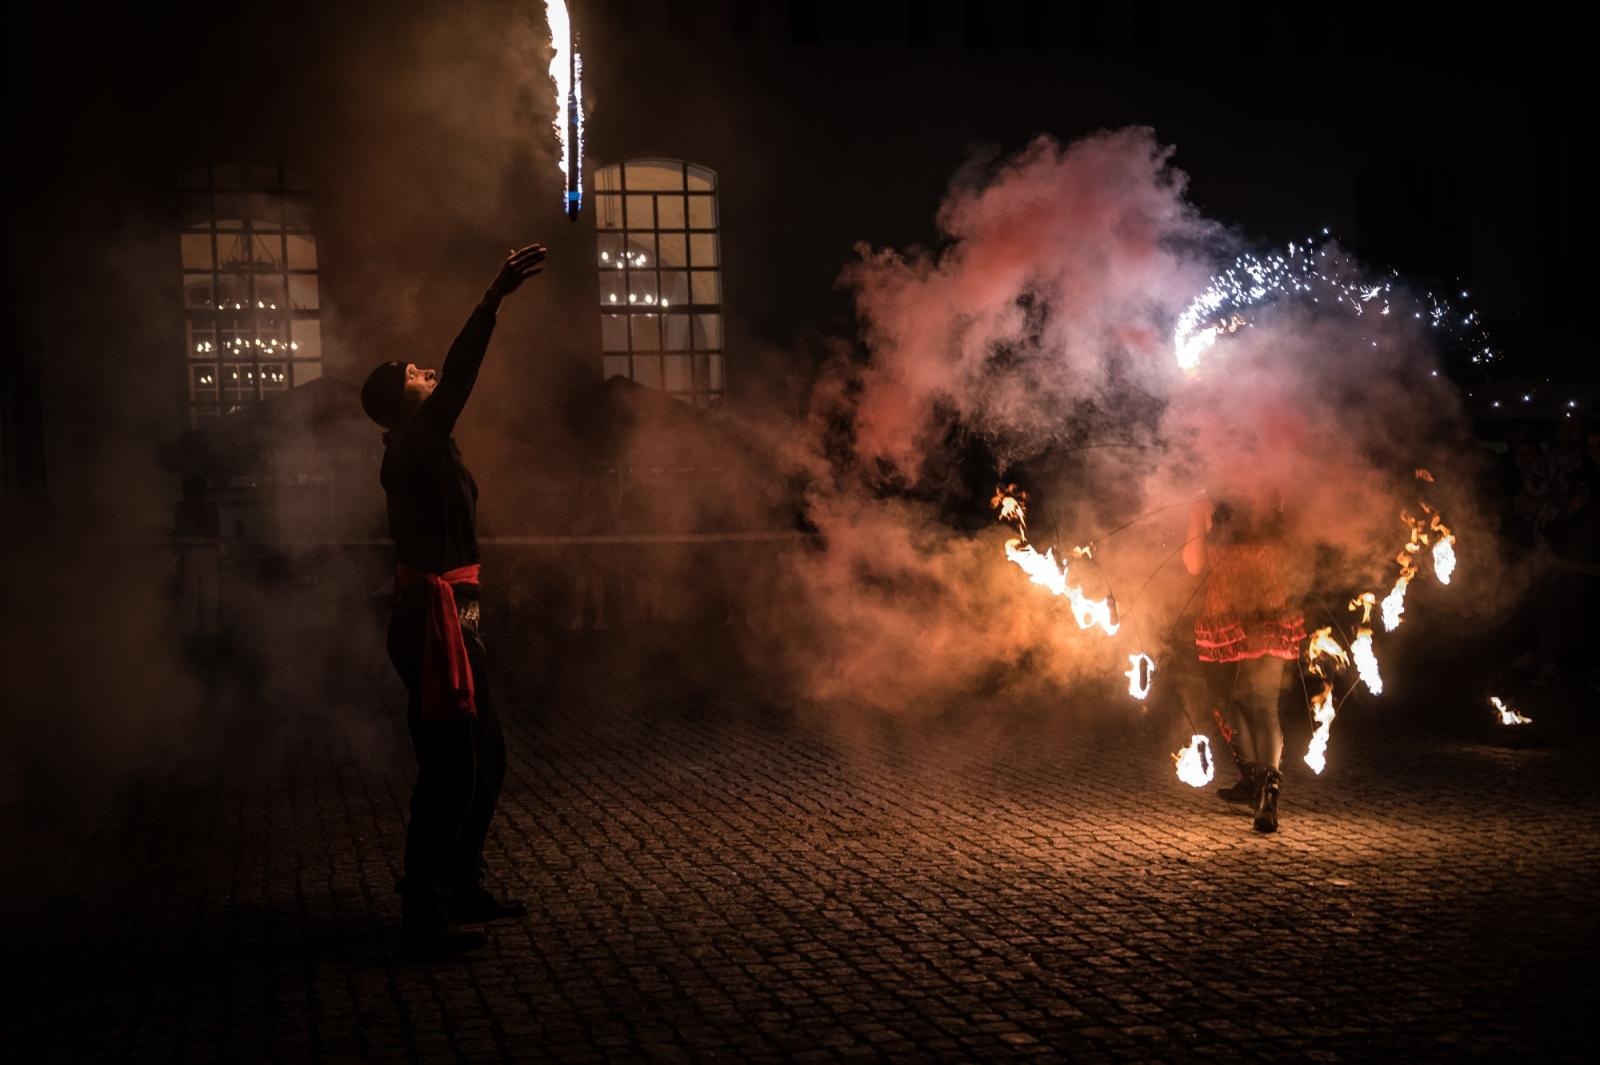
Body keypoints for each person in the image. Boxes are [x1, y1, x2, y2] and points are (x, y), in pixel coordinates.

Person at [360, 242, 547, 956]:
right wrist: (490, 299)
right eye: (411, 374)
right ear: (400, 403)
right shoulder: (411, 438)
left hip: (456, 618)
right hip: (429, 623)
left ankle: (462, 880)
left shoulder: (431, 444)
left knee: (486, 753)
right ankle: (422, 908)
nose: (423, 371)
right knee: (449, 764)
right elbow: (460, 376)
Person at [1181, 490, 1306, 833]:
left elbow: (1193, 565)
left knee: (1227, 700)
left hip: (1229, 617)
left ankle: (1255, 778)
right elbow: (1295, 557)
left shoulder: (1207, 500)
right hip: (1271, 612)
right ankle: (1265, 790)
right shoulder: (1272, 492)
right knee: (1264, 706)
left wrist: (1197, 515)